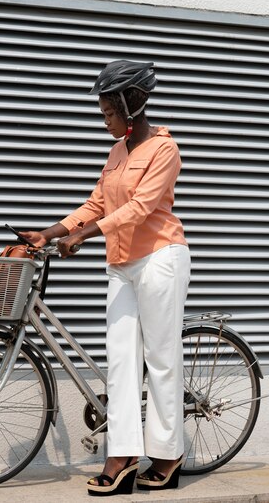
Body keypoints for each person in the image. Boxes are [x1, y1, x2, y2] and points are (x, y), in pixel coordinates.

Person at [21, 60, 191, 497]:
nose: (105, 122)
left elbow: (141, 208)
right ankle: (124, 456)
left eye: (108, 114)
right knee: (120, 361)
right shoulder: (118, 151)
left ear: (130, 106)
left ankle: (168, 455)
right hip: (121, 262)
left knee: (161, 359)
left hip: (159, 258)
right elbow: (96, 204)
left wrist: (83, 236)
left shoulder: (163, 149)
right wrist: (51, 232)